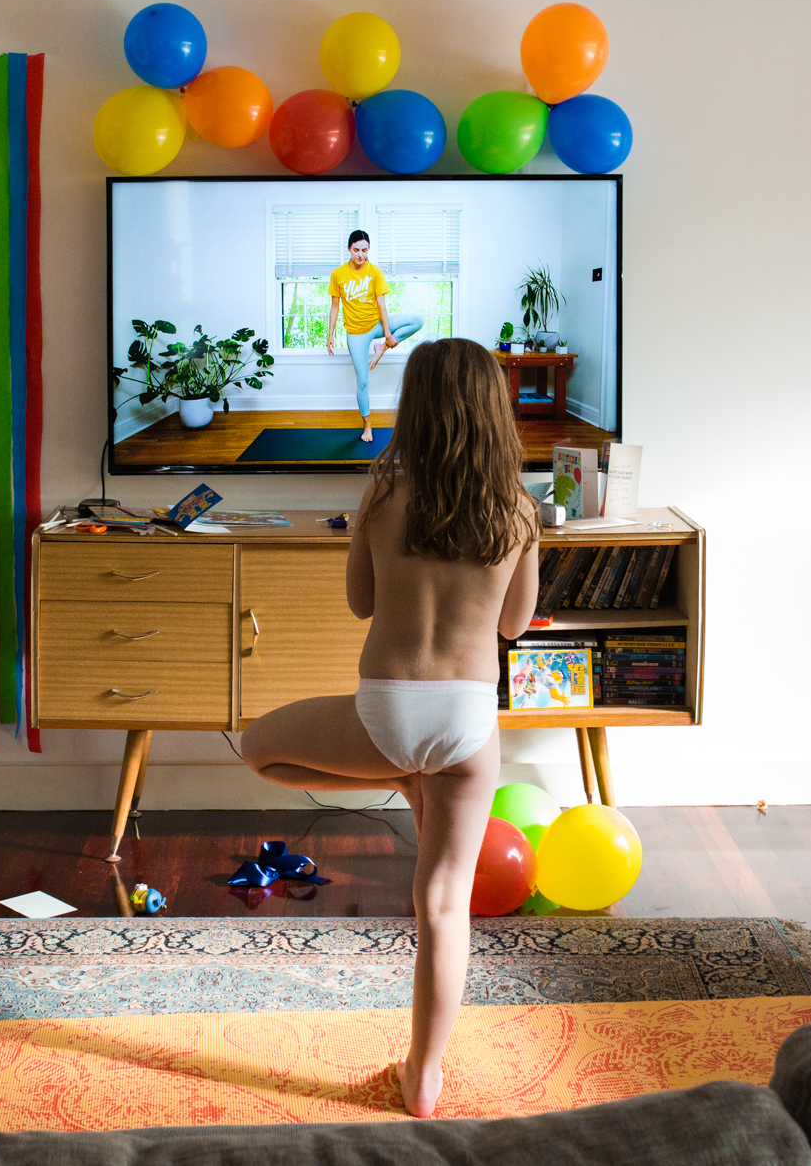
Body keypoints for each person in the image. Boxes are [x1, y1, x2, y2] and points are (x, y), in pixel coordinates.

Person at [241, 338, 538, 1118]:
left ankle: (399, 775)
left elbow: (360, 601)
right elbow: (514, 624)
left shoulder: (382, 491)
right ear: (493, 408)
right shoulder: (518, 507)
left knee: (256, 746)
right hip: (469, 724)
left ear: (417, 407)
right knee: (443, 903)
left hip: (386, 715)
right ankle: (426, 1077)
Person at [328, 230, 425, 443]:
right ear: (349, 249)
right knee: (363, 381)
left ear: (368, 249)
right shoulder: (338, 274)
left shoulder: (375, 272)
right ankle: (367, 425)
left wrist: (388, 335)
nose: (360, 255)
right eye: (356, 250)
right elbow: (335, 307)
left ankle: (381, 348)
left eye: (364, 250)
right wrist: (330, 335)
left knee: (417, 320)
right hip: (356, 332)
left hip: (377, 324)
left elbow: (382, 305)